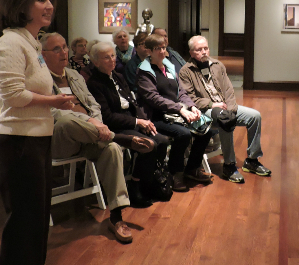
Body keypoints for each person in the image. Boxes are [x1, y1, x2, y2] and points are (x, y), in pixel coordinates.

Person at [0, 0, 75, 265]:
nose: (49, 5)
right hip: (17, 142)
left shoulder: (31, 43)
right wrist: (54, 101)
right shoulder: (11, 43)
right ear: (20, 4)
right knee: (24, 225)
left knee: (37, 223)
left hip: (35, 139)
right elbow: (11, 94)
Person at [40, 32, 155, 243]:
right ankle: (118, 137)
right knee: (67, 121)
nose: (64, 52)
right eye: (57, 49)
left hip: (92, 138)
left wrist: (96, 121)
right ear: (43, 55)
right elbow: (54, 113)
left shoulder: (74, 75)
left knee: (111, 149)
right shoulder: (40, 79)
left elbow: (93, 104)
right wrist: (94, 124)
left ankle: (116, 216)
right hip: (61, 139)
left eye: (65, 47)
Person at [179, 35, 272, 183]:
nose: (203, 52)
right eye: (199, 50)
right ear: (191, 53)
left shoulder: (217, 65)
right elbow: (190, 98)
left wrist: (231, 108)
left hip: (225, 106)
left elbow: (229, 90)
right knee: (225, 119)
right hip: (205, 110)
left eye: (206, 48)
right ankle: (229, 165)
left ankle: (252, 160)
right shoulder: (186, 71)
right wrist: (212, 105)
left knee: (255, 116)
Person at [87, 42, 170, 203]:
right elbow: (108, 117)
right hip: (115, 127)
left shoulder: (118, 75)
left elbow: (133, 103)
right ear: (96, 62)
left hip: (131, 120)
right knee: (148, 144)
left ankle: (150, 182)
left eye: (113, 55)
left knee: (162, 141)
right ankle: (135, 185)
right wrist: (137, 122)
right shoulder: (94, 84)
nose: (112, 60)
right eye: (106, 57)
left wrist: (144, 121)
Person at [136, 34, 214, 192]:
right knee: (183, 134)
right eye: (158, 48)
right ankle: (175, 173)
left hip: (176, 113)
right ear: (149, 51)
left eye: (164, 47)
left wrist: (192, 107)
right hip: (155, 116)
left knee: (206, 130)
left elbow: (182, 92)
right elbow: (154, 99)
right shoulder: (144, 71)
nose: (162, 51)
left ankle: (192, 169)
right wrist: (181, 109)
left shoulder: (168, 66)